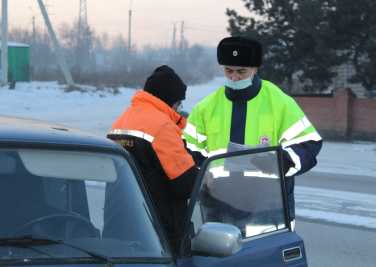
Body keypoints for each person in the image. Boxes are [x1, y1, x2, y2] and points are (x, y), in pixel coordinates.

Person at [183, 36, 323, 226]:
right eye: (228, 70)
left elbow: (308, 144)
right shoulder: (205, 108)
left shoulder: (279, 102)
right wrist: (201, 172)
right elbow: (187, 149)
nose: (234, 77)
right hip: (218, 207)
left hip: (269, 209)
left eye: (241, 71)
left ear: (255, 69)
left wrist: (281, 161)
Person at [107, 65, 197, 253]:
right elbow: (185, 184)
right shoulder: (162, 126)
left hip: (118, 227)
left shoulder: (121, 120)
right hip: (157, 233)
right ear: (169, 100)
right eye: (178, 104)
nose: (179, 109)